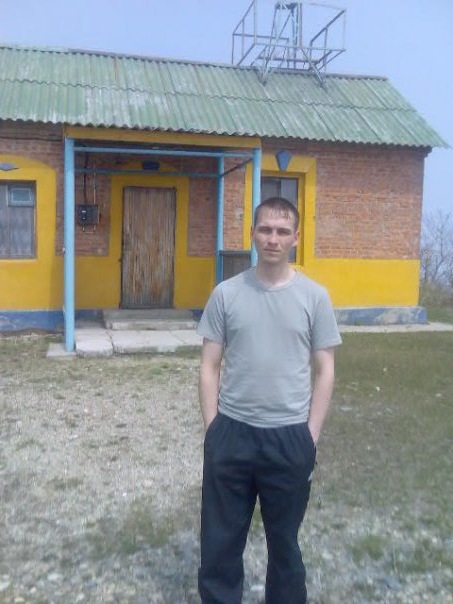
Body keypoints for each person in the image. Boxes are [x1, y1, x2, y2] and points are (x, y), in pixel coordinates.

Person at [197, 197, 342, 604]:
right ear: (253, 234)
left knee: (285, 546)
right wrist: (213, 429)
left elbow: (325, 369)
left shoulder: (315, 297)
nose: (273, 238)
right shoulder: (226, 294)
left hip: (289, 437)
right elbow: (209, 365)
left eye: (282, 231)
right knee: (219, 542)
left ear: (295, 237)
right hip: (232, 433)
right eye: (265, 229)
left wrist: (310, 435)